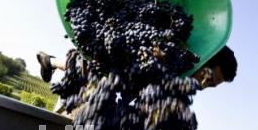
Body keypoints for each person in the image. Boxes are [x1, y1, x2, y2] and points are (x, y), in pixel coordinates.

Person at [37, 45, 237, 89]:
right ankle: (51, 62)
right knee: (89, 73)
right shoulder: (173, 52)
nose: (203, 85)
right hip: (121, 57)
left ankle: (52, 62)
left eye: (211, 86)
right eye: (209, 78)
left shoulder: (184, 78)